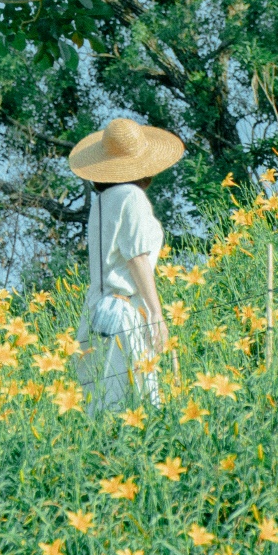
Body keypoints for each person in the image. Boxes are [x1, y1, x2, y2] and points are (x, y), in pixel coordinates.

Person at [67, 115, 185, 414]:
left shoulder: (102, 201)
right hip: (122, 313)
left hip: (96, 312)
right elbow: (137, 258)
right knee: (139, 409)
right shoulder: (131, 196)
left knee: (102, 411)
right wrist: (157, 313)